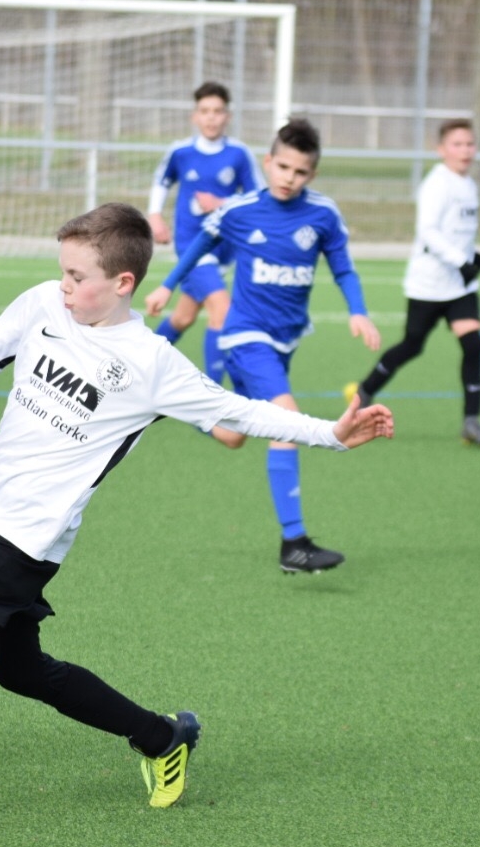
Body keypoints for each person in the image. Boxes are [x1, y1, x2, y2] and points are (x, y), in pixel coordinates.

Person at [0, 203, 395, 809]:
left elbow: (242, 412)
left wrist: (333, 435)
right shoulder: (44, 303)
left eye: (77, 276)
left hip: (26, 542)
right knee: (21, 672)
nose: (63, 286)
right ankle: (162, 736)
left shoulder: (151, 363)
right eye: (62, 271)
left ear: (122, 284)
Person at [145, 118, 383, 572]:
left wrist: (358, 310)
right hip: (245, 336)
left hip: (286, 339)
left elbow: (343, 267)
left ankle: (176, 405)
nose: (289, 178)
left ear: (312, 173)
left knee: (233, 436)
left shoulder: (323, 214)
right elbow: (199, 244)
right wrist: (167, 285)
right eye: (283, 167)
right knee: (285, 421)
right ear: (269, 162)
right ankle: (294, 543)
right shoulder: (241, 209)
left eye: (301, 171)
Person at [345, 118, 480, 447]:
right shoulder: (437, 183)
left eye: (470, 144)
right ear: (441, 149)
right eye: (457, 144)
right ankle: (365, 390)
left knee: (473, 346)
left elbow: (458, 233)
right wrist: (462, 261)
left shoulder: (469, 184)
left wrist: (474, 257)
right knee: (412, 345)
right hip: (429, 285)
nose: (465, 150)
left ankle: (471, 422)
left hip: (460, 287)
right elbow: (428, 232)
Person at [145, 81, 263, 384]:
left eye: (218, 111)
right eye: (205, 111)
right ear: (194, 116)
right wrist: (155, 216)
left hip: (224, 248)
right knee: (222, 311)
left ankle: (141, 364)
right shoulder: (181, 152)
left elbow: (258, 198)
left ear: (228, 116)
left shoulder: (239, 154)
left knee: (183, 317)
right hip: (191, 246)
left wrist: (222, 203)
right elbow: (161, 182)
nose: (211, 117)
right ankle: (214, 393)